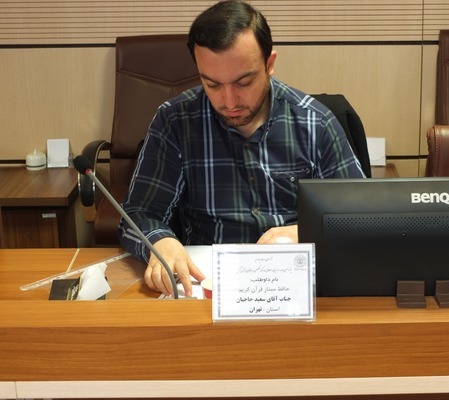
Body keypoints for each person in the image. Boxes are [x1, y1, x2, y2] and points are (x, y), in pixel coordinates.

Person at [119, 0, 365, 297]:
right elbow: (139, 213)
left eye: (244, 82)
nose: (230, 101)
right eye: (212, 85)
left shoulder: (315, 123)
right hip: (208, 287)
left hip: (294, 284)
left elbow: (361, 214)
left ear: (269, 64)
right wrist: (160, 241)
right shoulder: (175, 121)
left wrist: (308, 232)